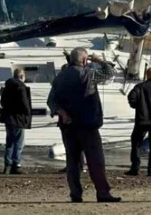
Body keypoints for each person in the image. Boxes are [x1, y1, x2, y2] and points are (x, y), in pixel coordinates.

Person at [51, 47, 121, 203]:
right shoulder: (88, 74)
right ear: (84, 60)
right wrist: (99, 60)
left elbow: (51, 101)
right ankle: (102, 192)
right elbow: (110, 72)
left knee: (73, 161)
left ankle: (75, 194)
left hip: (68, 125)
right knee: (95, 160)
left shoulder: (60, 77)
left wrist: (62, 113)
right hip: (88, 124)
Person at [46, 63, 86, 173]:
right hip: (79, 118)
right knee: (78, 144)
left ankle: (73, 165)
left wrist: (60, 112)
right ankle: (80, 165)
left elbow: (51, 101)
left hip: (66, 119)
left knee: (69, 144)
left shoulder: (60, 84)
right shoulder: (80, 82)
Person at [0, 67, 32, 175]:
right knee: (19, 142)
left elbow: (2, 102)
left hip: (8, 117)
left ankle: (7, 165)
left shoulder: (7, 87)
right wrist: (27, 113)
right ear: (22, 77)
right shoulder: (21, 87)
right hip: (18, 118)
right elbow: (24, 103)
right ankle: (16, 164)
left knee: (10, 141)